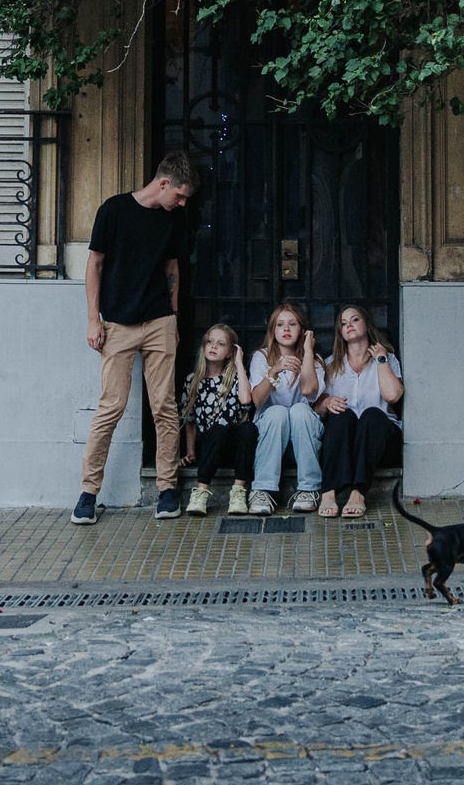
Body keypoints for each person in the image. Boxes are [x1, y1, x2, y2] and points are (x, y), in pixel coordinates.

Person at [75, 151, 196, 525]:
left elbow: (172, 267)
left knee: (164, 406)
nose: (182, 203)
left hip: (159, 320)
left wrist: (173, 319)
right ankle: (88, 493)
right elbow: (94, 264)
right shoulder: (113, 211)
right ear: (163, 184)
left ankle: (167, 490)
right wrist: (93, 319)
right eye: (179, 195)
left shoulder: (174, 219)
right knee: (111, 406)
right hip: (118, 324)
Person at [314, 304, 403, 519]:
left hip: (381, 439)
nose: (349, 325)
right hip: (344, 441)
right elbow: (316, 409)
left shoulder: (387, 359)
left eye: (354, 320)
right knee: (340, 415)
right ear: (340, 333)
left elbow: (393, 396)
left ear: (366, 324)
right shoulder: (331, 365)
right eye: (343, 323)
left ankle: (358, 493)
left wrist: (380, 359)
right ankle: (329, 492)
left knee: (372, 415)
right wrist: (326, 403)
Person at [246, 301, 324, 514]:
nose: (286, 329)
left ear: (302, 330)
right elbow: (257, 401)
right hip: (270, 437)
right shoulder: (262, 357)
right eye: (280, 325)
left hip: (304, 438)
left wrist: (308, 351)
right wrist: (274, 372)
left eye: (292, 324)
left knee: (299, 410)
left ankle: (309, 489)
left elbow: (309, 392)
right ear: (273, 330)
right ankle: (262, 490)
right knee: (278, 412)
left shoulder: (314, 360)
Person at [178, 322, 256, 516]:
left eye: (221, 344)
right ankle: (201, 492)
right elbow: (190, 419)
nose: (213, 346)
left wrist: (239, 364)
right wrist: (190, 451)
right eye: (210, 342)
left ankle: (238, 492)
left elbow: (246, 400)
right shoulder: (193, 380)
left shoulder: (237, 378)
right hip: (209, 444)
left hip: (233, 447)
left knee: (248, 428)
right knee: (217, 430)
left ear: (230, 352)